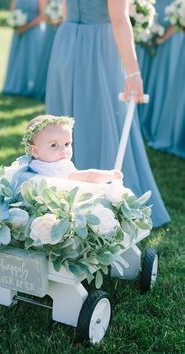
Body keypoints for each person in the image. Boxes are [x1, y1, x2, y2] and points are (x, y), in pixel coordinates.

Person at [45, 0, 170, 227]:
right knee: (102, 117)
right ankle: (104, 200)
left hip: (66, 40)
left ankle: (65, 195)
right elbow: (120, 20)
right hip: (99, 47)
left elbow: (65, 10)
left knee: (66, 117)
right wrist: (133, 72)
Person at [137, 0, 185, 158]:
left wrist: (165, 36)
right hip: (154, 32)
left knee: (166, 80)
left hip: (173, 39)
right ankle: (149, 120)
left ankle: (162, 125)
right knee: (154, 80)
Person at [22, 114, 123, 183]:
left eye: (67, 144)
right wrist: (112, 175)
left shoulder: (31, 165)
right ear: (35, 151)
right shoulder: (60, 167)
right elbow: (89, 176)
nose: (63, 151)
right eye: (54, 145)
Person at [2, 0, 55, 100]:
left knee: (32, 59)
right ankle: (15, 85)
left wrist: (26, 27)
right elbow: (12, 11)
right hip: (19, 32)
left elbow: (43, 16)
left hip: (33, 31)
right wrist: (15, 22)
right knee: (18, 59)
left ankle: (31, 86)